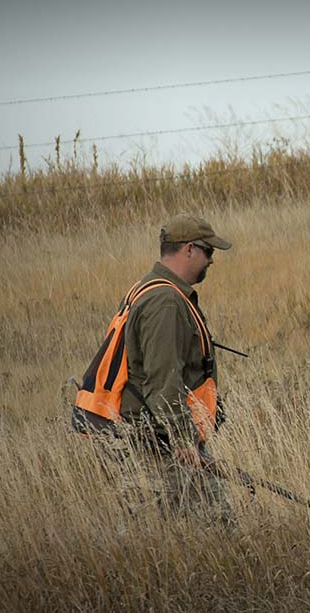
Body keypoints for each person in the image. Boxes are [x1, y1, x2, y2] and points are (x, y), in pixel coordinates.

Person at [95, 213, 235, 525]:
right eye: (208, 251)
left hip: (160, 438)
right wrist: (183, 438)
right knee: (205, 529)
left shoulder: (149, 288)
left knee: (186, 533)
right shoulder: (165, 302)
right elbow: (162, 379)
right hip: (159, 445)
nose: (211, 260)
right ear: (189, 249)